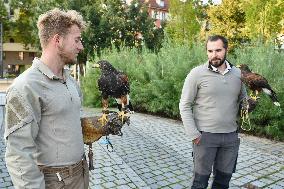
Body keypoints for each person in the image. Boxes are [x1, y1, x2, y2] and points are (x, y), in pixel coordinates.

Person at [4, 8, 88, 189]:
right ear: (58, 40)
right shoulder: (25, 86)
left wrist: (97, 126)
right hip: (54, 183)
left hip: (81, 175)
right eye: (77, 40)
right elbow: (19, 154)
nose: (81, 46)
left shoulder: (70, 81)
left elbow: (68, 122)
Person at [179, 35, 253, 189]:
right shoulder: (196, 74)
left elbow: (242, 101)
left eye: (218, 50)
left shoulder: (238, 74)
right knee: (199, 182)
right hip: (205, 138)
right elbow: (184, 105)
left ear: (226, 49)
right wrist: (194, 134)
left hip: (230, 137)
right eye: (210, 51)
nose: (214, 55)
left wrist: (249, 105)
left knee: (223, 182)